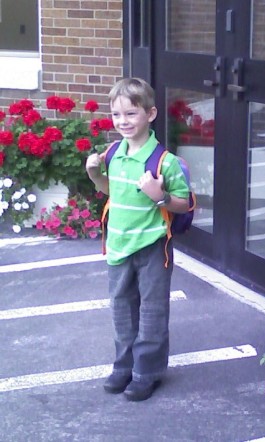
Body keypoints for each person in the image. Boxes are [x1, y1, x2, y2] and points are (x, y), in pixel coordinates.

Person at [86, 77, 190, 401]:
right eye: (117, 115)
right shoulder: (113, 153)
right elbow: (111, 190)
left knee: (152, 311)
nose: (123, 122)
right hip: (118, 245)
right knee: (121, 309)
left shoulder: (164, 161)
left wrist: (159, 196)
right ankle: (124, 366)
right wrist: (94, 174)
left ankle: (147, 372)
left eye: (131, 114)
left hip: (152, 246)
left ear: (151, 113)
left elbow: (184, 203)